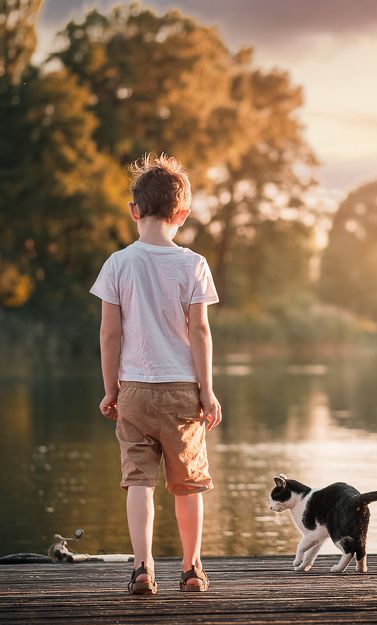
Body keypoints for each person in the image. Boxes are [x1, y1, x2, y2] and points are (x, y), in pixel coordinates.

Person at [90, 153, 222, 595]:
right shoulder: (193, 263)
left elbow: (110, 334)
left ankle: (143, 568)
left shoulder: (117, 264)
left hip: (135, 391)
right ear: (181, 214)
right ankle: (191, 568)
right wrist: (208, 390)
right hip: (184, 388)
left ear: (134, 211)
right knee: (188, 485)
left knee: (139, 482)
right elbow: (199, 331)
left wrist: (112, 388)